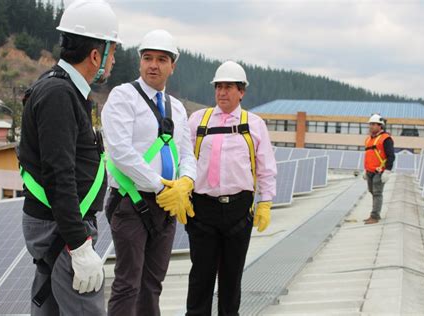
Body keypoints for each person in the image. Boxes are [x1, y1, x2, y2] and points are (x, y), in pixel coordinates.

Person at [17, 1, 121, 315]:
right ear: (95, 55)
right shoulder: (59, 95)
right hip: (62, 227)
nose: (113, 61)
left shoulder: (67, 91)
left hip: (62, 224)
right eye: (112, 52)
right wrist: (78, 244)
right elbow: (59, 174)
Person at [102, 29, 197, 316]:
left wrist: (186, 182)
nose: (153, 64)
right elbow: (120, 152)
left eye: (161, 59)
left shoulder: (177, 108)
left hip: (167, 206)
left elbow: (186, 153)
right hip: (132, 202)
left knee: (153, 283)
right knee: (128, 283)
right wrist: (161, 186)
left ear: (172, 66)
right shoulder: (123, 97)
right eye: (147, 58)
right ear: (140, 62)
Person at [186, 61, 277, 315]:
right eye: (219, 87)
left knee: (231, 277)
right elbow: (184, 158)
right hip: (202, 210)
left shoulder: (254, 124)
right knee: (200, 277)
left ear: (241, 91)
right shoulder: (197, 120)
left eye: (228, 87)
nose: (222, 92)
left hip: (238, 211)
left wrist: (266, 202)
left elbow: (266, 166)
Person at [363, 113, 395, 224]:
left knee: (377, 193)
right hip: (370, 171)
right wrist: (365, 170)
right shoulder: (368, 139)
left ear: (380, 126)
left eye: (373, 124)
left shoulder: (386, 139)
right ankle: (375, 213)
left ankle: (375, 216)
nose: (371, 126)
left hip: (380, 171)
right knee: (372, 191)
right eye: (370, 124)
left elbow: (391, 156)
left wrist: (387, 171)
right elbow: (368, 155)